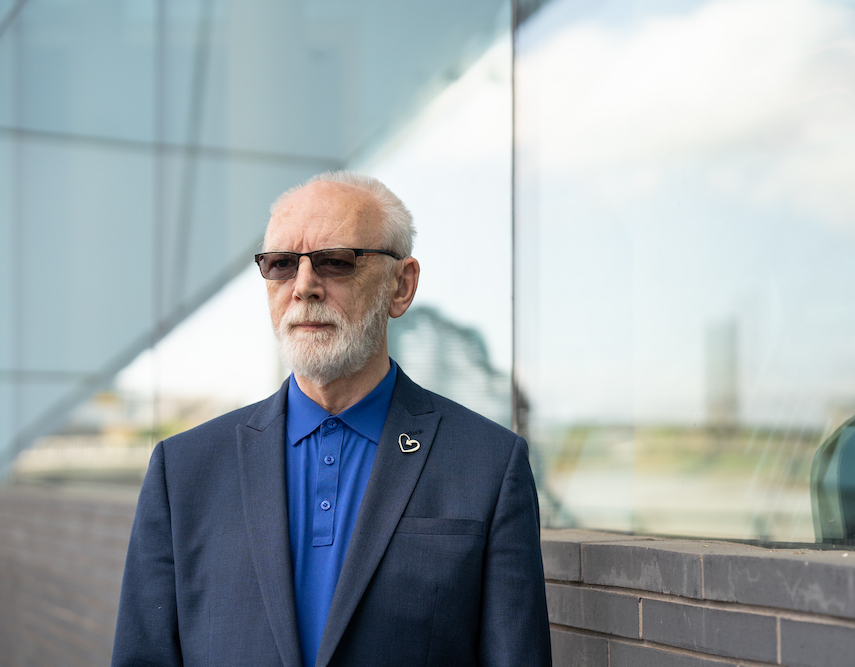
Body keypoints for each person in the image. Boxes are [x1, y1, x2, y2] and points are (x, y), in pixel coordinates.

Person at [111, 172, 551, 667]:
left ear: (400, 287)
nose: (303, 287)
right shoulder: (184, 470)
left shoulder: (488, 464)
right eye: (280, 265)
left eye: (335, 262)